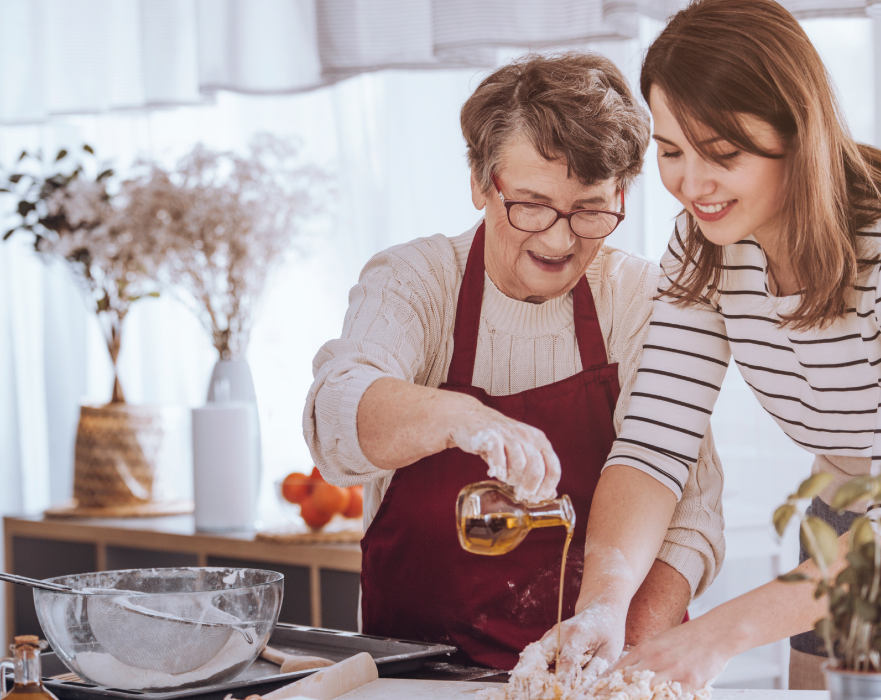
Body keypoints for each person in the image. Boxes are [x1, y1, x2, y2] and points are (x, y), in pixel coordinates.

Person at [541, 0, 881, 690]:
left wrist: (718, 635)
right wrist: (604, 602)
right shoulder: (704, 243)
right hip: (847, 505)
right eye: (672, 152)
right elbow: (654, 445)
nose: (692, 184)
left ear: (798, 130)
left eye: (722, 153)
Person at [302, 52, 724, 670]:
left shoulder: (642, 299)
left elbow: (690, 516)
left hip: (600, 676)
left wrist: (613, 660)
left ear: (621, 194)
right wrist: (458, 416)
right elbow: (334, 421)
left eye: (589, 209)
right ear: (480, 180)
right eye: (530, 204)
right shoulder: (416, 280)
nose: (558, 240)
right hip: (426, 682)